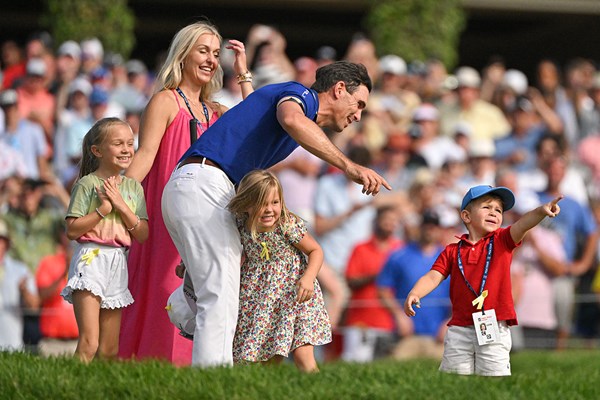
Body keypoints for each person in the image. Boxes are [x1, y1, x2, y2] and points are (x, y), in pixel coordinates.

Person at [161, 60, 389, 367]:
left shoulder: (291, 98)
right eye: (358, 103)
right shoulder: (301, 97)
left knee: (215, 293)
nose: (359, 115)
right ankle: (212, 383)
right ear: (338, 90)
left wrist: (244, 75)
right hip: (205, 185)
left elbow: (254, 109)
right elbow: (291, 119)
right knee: (220, 297)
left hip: (196, 186)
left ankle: (187, 305)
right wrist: (349, 166)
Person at [119, 21, 252, 365]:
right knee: (165, 285)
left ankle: (195, 368)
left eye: (216, 53)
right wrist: (114, 200)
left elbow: (253, 128)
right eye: (203, 51)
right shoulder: (166, 101)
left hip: (209, 211)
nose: (211, 60)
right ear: (183, 54)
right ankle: (156, 362)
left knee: (203, 290)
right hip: (165, 211)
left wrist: (243, 75)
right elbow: (145, 156)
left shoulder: (218, 111)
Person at [404, 185, 562, 376]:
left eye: (498, 210)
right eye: (487, 207)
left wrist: (540, 212)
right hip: (459, 327)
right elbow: (433, 276)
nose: (494, 212)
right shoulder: (452, 251)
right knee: (455, 379)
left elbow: (522, 225)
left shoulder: (502, 241)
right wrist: (415, 293)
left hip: (493, 324)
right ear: (466, 216)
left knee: (492, 378)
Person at [60, 118, 149, 363]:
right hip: (91, 258)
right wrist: (102, 210)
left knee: (109, 350)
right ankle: (70, 388)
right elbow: (72, 230)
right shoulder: (87, 184)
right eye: (118, 143)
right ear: (97, 151)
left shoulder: (133, 188)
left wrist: (120, 205)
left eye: (130, 143)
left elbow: (142, 233)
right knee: (90, 342)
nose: (126, 150)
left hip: (118, 260)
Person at [228, 170, 331, 372]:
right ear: (247, 203)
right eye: (262, 203)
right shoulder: (240, 226)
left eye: (274, 203)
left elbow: (315, 250)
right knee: (266, 358)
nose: (269, 210)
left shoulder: (286, 224)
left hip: (294, 295)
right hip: (260, 298)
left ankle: (322, 392)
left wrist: (308, 278)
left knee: (303, 356)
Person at [377, 210, 450, 361]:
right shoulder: (399, 255)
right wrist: (398, 315)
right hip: (406, 335)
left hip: (440, 336)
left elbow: (464, 293)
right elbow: (383, 289)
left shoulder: (450, 257)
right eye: (426, 226)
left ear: (439, 230)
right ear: (419, 227)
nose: (430, 230)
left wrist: (451, 322)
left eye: (434, 226)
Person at [341, 206, 403, 363]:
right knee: (355, 366)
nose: (390, 224)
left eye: (394, 221)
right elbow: (351, 281)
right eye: (386, 220)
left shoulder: (400, 249)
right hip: (361, 321)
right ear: (376, 222)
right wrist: (378, 276)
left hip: (390, 322)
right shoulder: (360, 248)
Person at [0, 218, 40, 351]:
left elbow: (34, 306)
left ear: (6, 243)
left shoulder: (20, 270)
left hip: (12, 345)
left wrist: (24, 291)